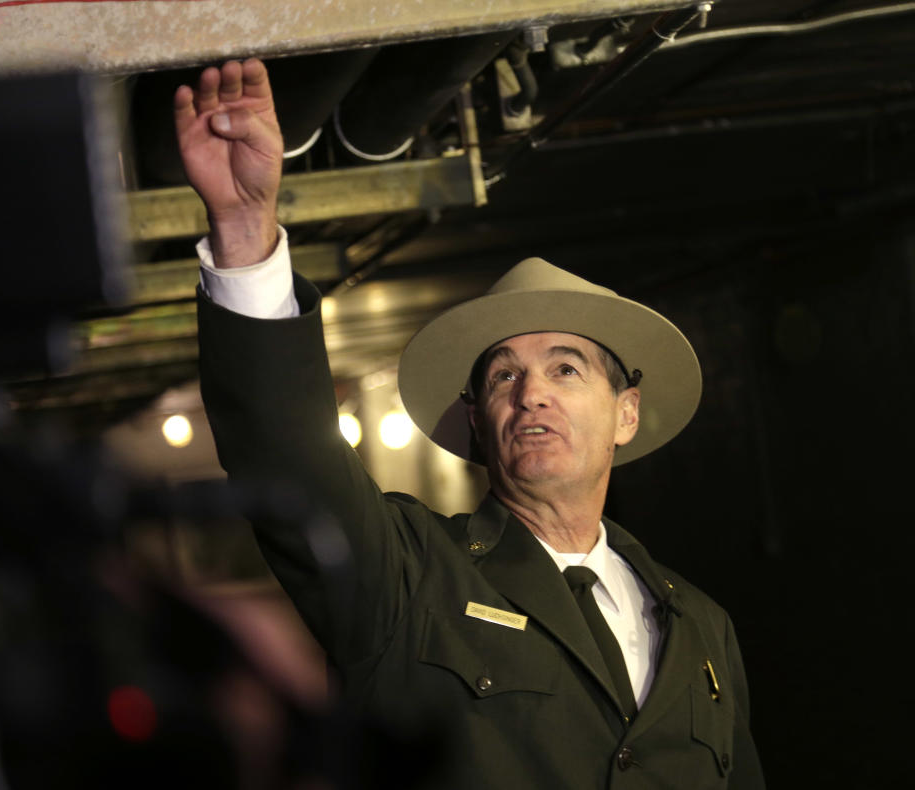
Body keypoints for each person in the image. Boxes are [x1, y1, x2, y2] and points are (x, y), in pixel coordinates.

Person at [176, 58, 765, 789]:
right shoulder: (409, 577)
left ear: (626, 414)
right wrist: (243, 229)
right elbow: (288, 460)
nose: (532, 395)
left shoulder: (703, 629)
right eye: (504, 377)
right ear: (478, 425)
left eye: (565, 369)